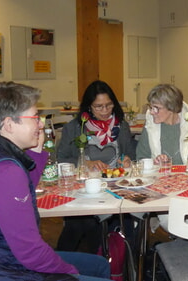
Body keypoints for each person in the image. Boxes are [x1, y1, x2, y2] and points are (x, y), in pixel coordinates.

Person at [0, 81, 111, 280]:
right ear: (9, 124)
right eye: (35, 117)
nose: (41, 123)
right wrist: (69, 272)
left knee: (98, 265)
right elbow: (30, 252)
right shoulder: (5, 171)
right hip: (5, 269)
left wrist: (37, 151)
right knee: (88, 269)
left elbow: (24, 186)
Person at [56, 80, 136, 253]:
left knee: (130, 221)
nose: (105, 111)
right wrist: (84, 162)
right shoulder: (75, 128)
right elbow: (61, 159)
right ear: (88, 107)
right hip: (85, 188)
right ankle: (66, 263)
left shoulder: (121, 126)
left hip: (116, 186)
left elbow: (132, 153)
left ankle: (124, 264)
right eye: (99, 107)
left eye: (109, 105)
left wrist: (128, 160)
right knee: (81, 223)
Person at [135, 84, 188, 231]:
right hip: (161, 189)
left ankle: (184, 251)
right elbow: (141, 158)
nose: (152, 112)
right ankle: (181, 250)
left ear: (171, 108)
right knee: (173, 224)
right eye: (150, 107)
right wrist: (155, 163)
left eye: (156, 108)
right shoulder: (151, 125)